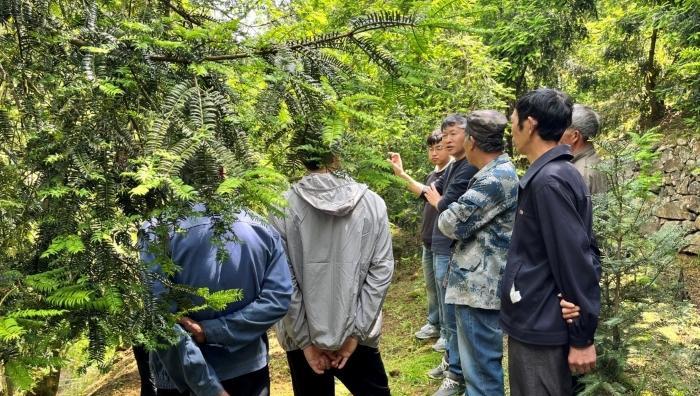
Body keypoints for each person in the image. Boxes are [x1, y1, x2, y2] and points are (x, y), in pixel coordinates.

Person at [500, 88, 601, 396]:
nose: (511, 128)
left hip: (541, 327)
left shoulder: (550, 181)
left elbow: (576, 259)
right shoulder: (555, 174)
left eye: (513, 120)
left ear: (529, 124)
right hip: (539, 316)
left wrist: (582, 336)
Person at [271, 152, 394, 396]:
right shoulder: (372, 202)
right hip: (358, 333)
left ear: (300, 157)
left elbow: (283, 279)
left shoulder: (280, 206)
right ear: (337, 157)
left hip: (301, 337)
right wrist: (355, 335)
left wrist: (306, 342)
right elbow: (381, 271)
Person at [141, 206, 292, 396]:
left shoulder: (156, 231)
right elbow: (278, 299)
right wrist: (214, 331)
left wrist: (208, 387)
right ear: (223, 174)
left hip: (185, 382)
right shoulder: (259, 225)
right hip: (250, 372)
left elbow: (162, 317)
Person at [389, 114, 477, 395]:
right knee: (444, 307)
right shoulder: (450, 170)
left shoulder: (466, 170)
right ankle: (451, 362)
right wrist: (403, 175)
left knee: (451, 312)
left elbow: (447, 206)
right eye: (444, 135)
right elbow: (431, 196)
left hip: (449, 248)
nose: (446, 140)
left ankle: (456, 372)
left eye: (452, 134)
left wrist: (440, 202)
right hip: (436, 245)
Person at [437, 110, 518, 396]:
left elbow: (449, 222)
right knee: (478, 371)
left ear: (471, 142)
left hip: (480, 289)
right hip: (476, 285)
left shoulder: (494, 179)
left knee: (481, 375)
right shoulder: (497, 172)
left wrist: (448, 211)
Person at [404, 130, 452, 341]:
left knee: (444, 289)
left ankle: (447, 333)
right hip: (428, 240)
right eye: (431, 148)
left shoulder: (452, 173)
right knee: (432, 287)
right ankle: (434, 323)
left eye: (438, 148)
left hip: (444, 241)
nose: (434, 153)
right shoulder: (432, 175)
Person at [558, 104, 608, 194]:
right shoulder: (595, 160)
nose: (557, 134)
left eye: (562, 129)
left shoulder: (578, 173)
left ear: (575, 136)